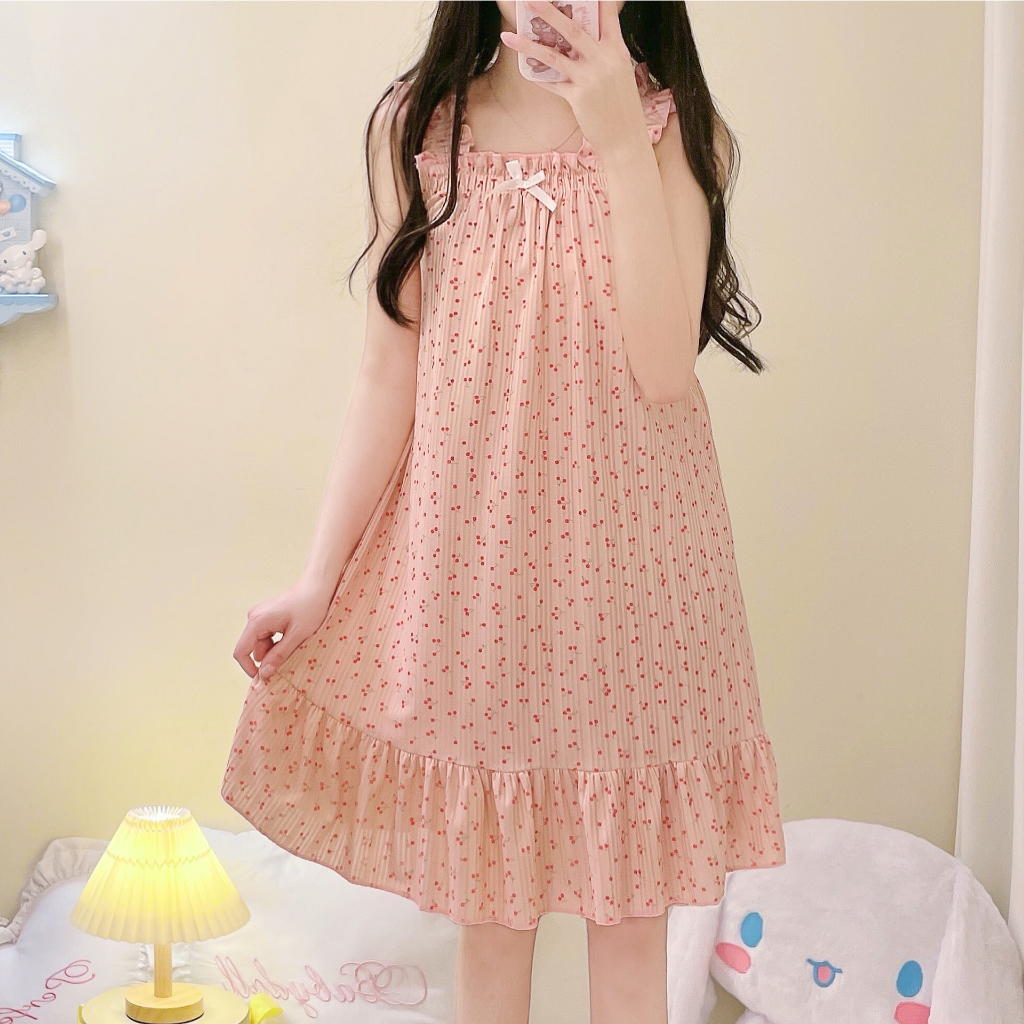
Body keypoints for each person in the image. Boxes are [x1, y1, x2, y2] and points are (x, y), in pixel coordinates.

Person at [222, 3, 786, 1022]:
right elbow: (386, 371)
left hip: (638, 572)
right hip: (478, 572)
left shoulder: (675, 128)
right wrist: (319, 578)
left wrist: (616, 133)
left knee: (631, 930)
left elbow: (665, 368)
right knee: (489, 918)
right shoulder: (417, 125)